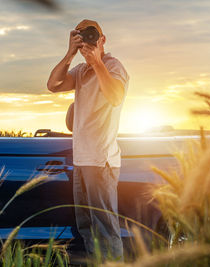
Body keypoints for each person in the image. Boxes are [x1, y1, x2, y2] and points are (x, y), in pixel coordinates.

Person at [47, 19, 129, 261]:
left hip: (101, 161)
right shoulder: (81, 71)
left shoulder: (114, 67)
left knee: (105, 228)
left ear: (103, 40)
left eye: (92, 38)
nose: (88, 45)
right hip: (82, 161)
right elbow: (53, 85)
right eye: (82, 39)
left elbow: (115, 96)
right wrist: (70, 53)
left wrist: (97, 63)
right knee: (87, 229)